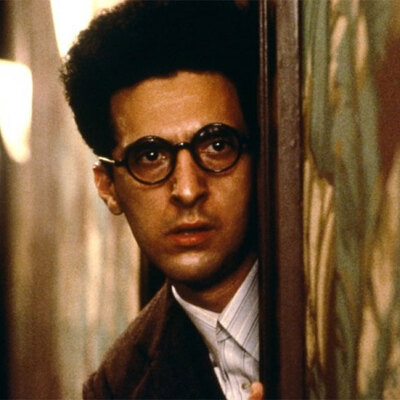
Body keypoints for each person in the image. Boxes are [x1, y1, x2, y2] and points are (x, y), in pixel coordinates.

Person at [61, 1, 263, 398]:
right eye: (150, 156)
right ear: (108, 188)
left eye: (217, 145)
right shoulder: (117, 389)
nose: (188, 190)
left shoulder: (335, 307)